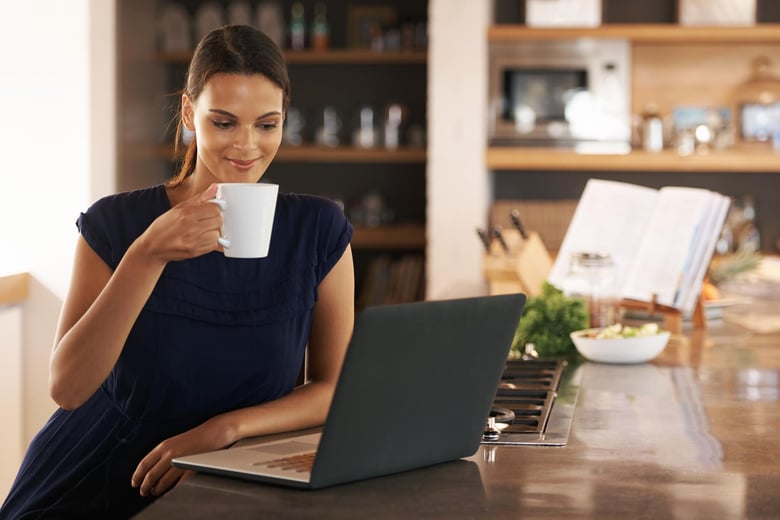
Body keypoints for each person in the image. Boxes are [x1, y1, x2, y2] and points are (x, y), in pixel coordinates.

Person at [1, 24, 354, 519]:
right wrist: (147, 254)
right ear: (189, 113)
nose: (247, 146)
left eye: (267, 124)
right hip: (98, 482)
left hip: (232, 482)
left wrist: (224, 431)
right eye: (224, 122)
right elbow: (68, 388)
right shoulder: (116, 223)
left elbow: (332, 388)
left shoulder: (317, 229)